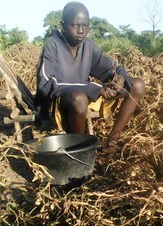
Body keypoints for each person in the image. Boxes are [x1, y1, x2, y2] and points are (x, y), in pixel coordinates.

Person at [34, 1, 145, 153]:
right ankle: (79, 149)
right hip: (62, 102)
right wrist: (95, 88)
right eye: (75, 25)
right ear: (62, 25)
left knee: (137, 85)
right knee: (79, 98)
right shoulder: (52, 45)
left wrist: (119, 77)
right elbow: (47, 84)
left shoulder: (89, 46)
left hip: (87, 95)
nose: (80, 31)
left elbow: (110, 67)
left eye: (85, 26)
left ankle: (111, 142)